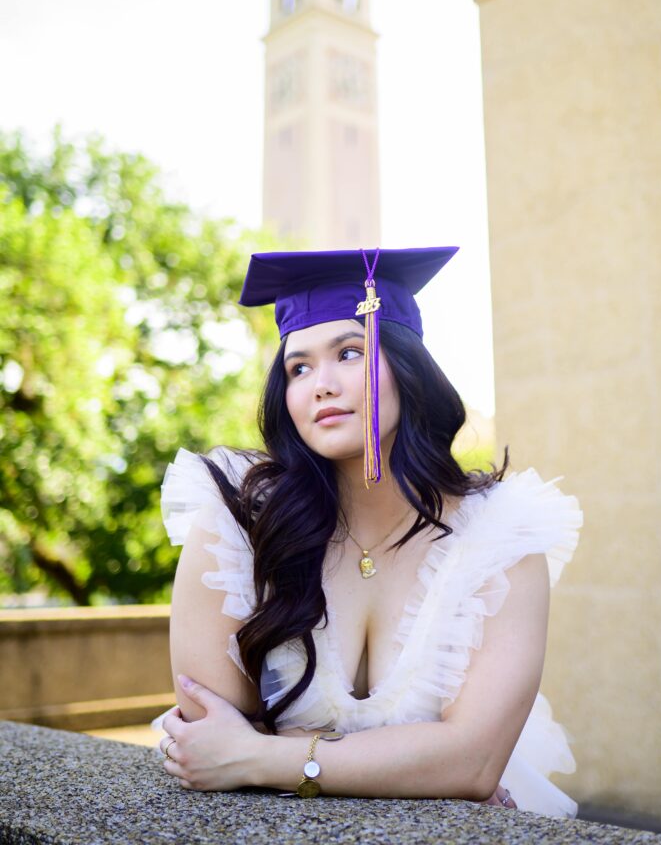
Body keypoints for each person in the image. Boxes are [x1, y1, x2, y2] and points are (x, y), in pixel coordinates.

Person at [154, 246, 583, 816]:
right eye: (298, 368)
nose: (320, 385)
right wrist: (422, 761)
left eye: (349, 353)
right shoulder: (236, 522)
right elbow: (209, 735)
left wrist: (260, 756)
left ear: (408, 369)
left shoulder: (503, 537)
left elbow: (473, 763)